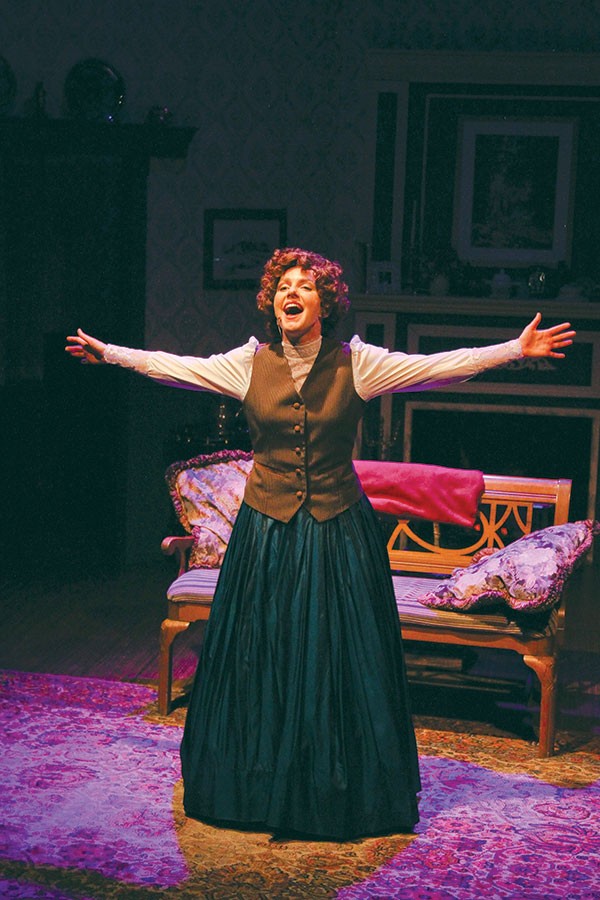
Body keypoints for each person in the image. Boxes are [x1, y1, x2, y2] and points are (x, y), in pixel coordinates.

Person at [66, 247, 575, 841]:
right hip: (266, 531)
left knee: (333, 656)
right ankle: (255, 784)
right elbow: (173, 367)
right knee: (261, 654)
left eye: (306, 286)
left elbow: (438, 366)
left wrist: (514, 349)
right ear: (272, 301)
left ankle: (332, 787)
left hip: (337, 531)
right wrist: (110, 353)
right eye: (284, 285)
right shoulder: (247, 364)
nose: (293, 292)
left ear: (324, 304)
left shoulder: (358, 363)